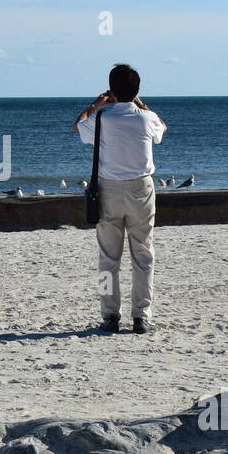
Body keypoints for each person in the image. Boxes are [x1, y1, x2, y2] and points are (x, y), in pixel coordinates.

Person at [74, 64, 167, 334]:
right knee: (143, 255)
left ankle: (110, 316)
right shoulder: (146, 118)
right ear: (137, 90)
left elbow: (79, 125)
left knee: (108, 258)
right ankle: (142, 316)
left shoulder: (103, 117)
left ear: (111, 89)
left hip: (108, 189)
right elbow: (162, 128)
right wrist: (138, 102)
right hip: (141, 188)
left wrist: (98, 102)